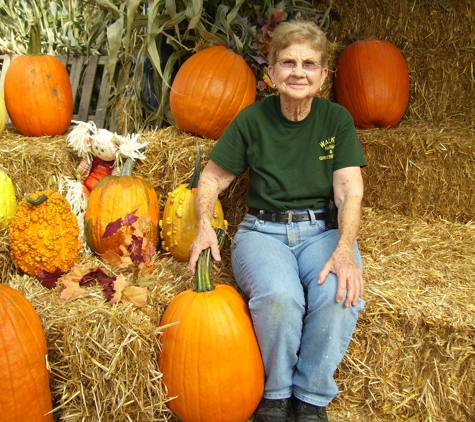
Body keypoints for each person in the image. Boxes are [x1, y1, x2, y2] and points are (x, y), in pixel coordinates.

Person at [189, 20, 367, 422]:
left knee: (339, 294)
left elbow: (349, 191)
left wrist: (344, 251)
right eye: (288, 62)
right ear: (271, 73)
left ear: (323, 75)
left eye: (309, 64)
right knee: (279, 299)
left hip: (322, 230)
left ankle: (311, 398)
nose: (298, 72)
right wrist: (203, 226)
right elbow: (213, 177)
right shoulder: (252, 119)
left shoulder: (336, 120)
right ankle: (276, 395)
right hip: (262, 232)